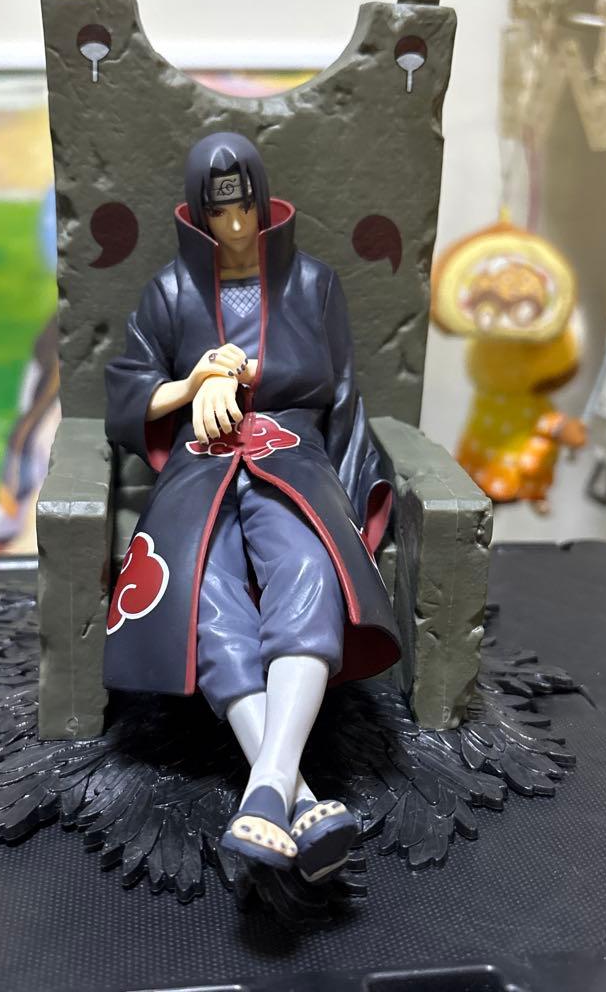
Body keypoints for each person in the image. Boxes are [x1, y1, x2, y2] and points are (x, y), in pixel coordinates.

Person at [104, 133, 398, 880]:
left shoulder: (314, 283)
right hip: (200, 461)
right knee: (201, 585)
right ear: (198, 213)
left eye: (244, 208)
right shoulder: (172, 291)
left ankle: (266, 786)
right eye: (218, 212)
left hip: (290, 451)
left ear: (261, 202)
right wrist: (195, 381)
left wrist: (351, 486)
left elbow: (340, 392)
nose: (235, 225)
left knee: (307, 566)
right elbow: (130, 390)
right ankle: (294, 795)